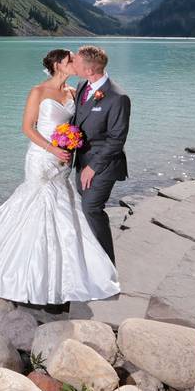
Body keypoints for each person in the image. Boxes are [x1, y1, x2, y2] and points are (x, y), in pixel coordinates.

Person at [0, 49, 120, 305]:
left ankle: (64, 274)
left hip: (63, 161)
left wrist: (73, 145)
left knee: (63, 208)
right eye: (70, 60)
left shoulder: (74, 92)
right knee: (35, 203)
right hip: (41, 158)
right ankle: (21, 273)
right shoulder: (38, 92)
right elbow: (27, 128)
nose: (75, 63)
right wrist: (52, 148)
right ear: (57, 65)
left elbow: (81, 123)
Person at [70, 45, 131, 264]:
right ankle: (91, 260)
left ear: (89, 70)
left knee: (92, 209)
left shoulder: (118, 97)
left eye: (76, 61)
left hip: (104, 165)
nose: (72, 63)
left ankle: (106, 267)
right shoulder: (81, 85)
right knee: (85, 210)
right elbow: (77, 121)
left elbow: (117, 139)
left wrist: (93, 167)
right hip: (81, 162)